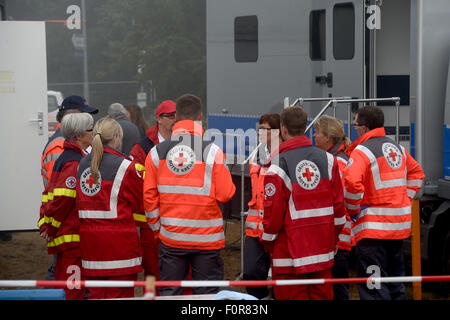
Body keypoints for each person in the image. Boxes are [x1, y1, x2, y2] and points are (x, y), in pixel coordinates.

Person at [143, 94, 235, 296]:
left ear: (176, 118)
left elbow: (149, 199)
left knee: (171, 293)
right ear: (200, 117)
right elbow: (226, 194)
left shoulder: (156, 153)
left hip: (171, 238)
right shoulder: (213, 152)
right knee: (206, 295)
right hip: (207, 240)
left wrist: (159, 229)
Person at [261, 106, 346, 300]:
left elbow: (273, 218)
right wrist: (333, 237)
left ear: (283, 129)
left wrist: (266, 242)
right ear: (305, 127)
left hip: (289, 255)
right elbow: (339, 209)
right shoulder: (330, 160)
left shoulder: (277, 164)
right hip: (322, 253)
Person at [343, 106, 425, 300]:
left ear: (363, 127)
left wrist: (353, 211)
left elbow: (351, 183)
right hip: (398, 228)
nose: (355, 129)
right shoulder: (397, 148)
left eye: (355, 125)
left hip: (374, 230)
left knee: (374, 287)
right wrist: (405, 198)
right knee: (395, 283)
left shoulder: (362, 151)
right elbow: (417, 173)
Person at [76, 117, 143, 299]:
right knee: (119, 295)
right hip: (119, 248)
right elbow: (139, 204)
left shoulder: (82, 164)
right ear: (116, 138)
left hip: (91, 246)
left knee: (96, 295)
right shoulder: (126, 167)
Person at [39, 95, 98, 281]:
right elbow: (62, 199)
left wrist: (46, 223)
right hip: (70, 236)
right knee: (72, 288)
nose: (94, 134)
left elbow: (49, 193)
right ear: (79, 135)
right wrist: (50, 227)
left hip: (66, 234)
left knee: (63, 282)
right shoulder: (73, 162)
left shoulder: (68, 156)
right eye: (91, 130)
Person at [128, 100, 176, 286]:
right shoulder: (143, 148)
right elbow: (136, 186)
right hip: (151, 224)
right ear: (159, 119)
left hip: (179, 220)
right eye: (170, 116)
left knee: (180, 277)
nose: (175, 119)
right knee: (153, 274)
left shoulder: (187, 145)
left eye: (177, 115)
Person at [313, 115, 354, 300]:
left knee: (337, 289)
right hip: (337, 234)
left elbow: (337, 200)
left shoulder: (337, 162)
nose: (314, 137)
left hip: (337, 236)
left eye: (317, 133)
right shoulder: (339, 158)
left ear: (328, 137)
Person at [244, 113, 281, 299]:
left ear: (276, 132)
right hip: (254, 229)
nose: (259, 132)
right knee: (250, 274)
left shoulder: (285, 157)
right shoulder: (255, 156)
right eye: (259, 128)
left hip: (277, 229)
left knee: (280, 278)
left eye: (264, 129)